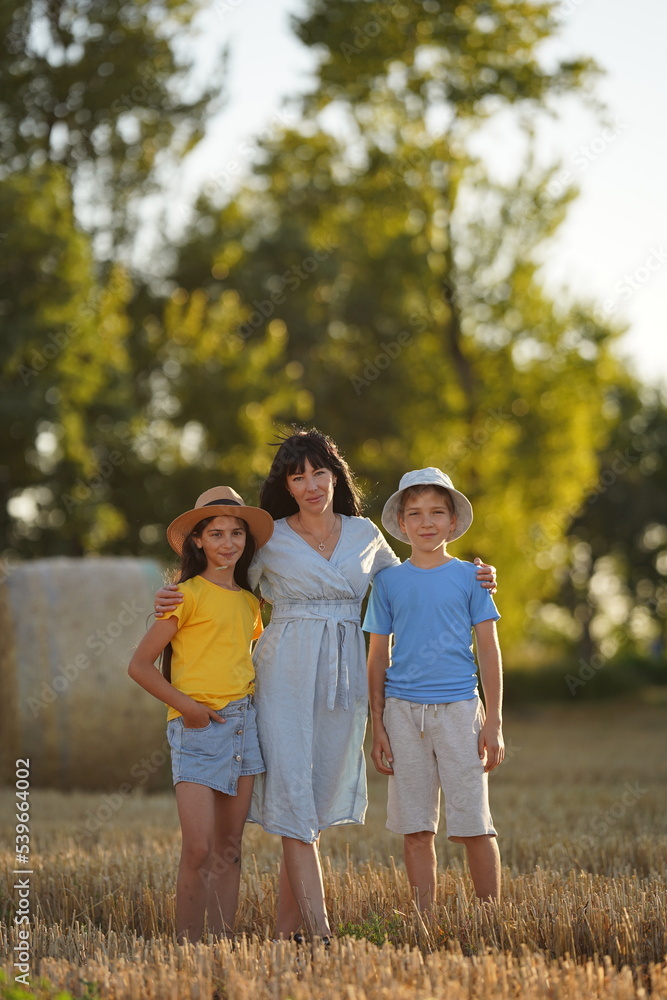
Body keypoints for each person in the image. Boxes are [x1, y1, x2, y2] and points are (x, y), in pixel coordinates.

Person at [153, 431, 498, 941]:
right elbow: (218, 579)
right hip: (284, 672)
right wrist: (168, 596)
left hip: (345, 675)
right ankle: (320, 934)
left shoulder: (365, 536)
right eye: (298, 477)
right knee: (292, 796)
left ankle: (285, 933)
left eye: (319, 473)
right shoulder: (270, 539)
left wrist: (476, 572)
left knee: (311, 805)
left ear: (335, 476)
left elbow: (412, 578)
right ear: (287, 487)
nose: (311, 485)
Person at [128, 486, 274, 942]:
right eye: (216, 534)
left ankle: (222, 943)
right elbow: (139, 666)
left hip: (244, 727)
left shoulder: (251, 604)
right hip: (196, 728)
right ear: (197, 541)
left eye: (236, 534)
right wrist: (188, 708)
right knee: (198, 847)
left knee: (230, 850)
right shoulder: (183, 597)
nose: (228, 543)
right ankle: (187, 947)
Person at [364, 468, 504, 911]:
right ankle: (424, 920)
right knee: (415, 828)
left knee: (474, 824)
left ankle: (490, 917)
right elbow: (377, 658)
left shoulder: (471, 578)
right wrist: (378, 724)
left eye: (437, 513)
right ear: (402, 524)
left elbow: (489, 650)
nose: (427, 522)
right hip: (402, 713)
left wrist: (494, 722)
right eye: (416, 514)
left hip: (461, 710)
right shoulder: (387, 582)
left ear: (453, 522)